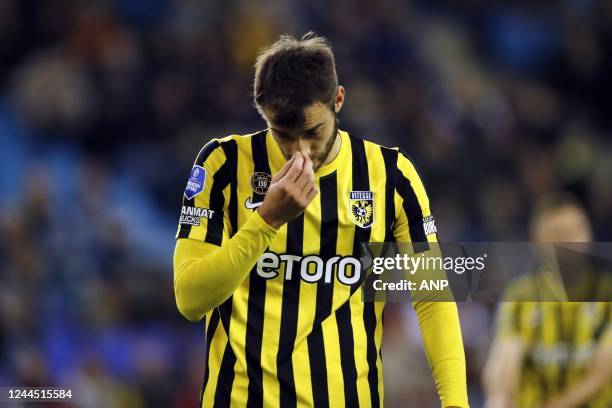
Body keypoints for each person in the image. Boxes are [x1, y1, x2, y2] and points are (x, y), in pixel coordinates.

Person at [173, 32, 468, 408]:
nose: (301, 152)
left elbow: (433, 297)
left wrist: (456, 402)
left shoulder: (390, 175)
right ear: (261, 111)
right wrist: (266, 221)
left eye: (313, 132)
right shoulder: (223, 164)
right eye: (283, 133)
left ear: (338, 100)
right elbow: (190, 299)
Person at [483, 195, 612, 408]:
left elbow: (602, 373)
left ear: (588, 235)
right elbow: (504, 363)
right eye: (557, 234)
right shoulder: (520, 295)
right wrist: (499, 398)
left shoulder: (607, 293)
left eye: (574, 232)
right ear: (536, 242)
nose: (568, 242)